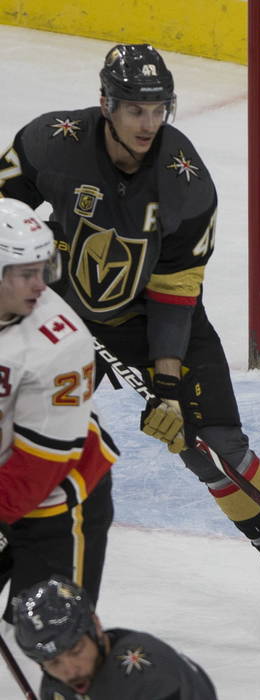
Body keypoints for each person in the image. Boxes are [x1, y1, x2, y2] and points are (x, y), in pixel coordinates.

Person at [0, 43, 260, 631]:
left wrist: (165, 385)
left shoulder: (185, 181)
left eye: (158, 109)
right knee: (19, 414)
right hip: (63, 300)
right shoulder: (50, 142)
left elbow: (174, 293)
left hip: (153, 318)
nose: (148, 122)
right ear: (105, 105)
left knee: (213, 444)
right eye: (135, 109)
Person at [0, 199, 117, 632]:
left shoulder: (59, 344)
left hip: (56, 502)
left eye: (44, 269)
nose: (41, 285)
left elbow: (38, 469)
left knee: (54, 643)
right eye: (27, 273)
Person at [12, 575, 217, 699]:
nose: (70, 670)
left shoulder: (149, 675)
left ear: (97, 627)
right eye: (54, 662)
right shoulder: (56, 685)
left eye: (76, 651)